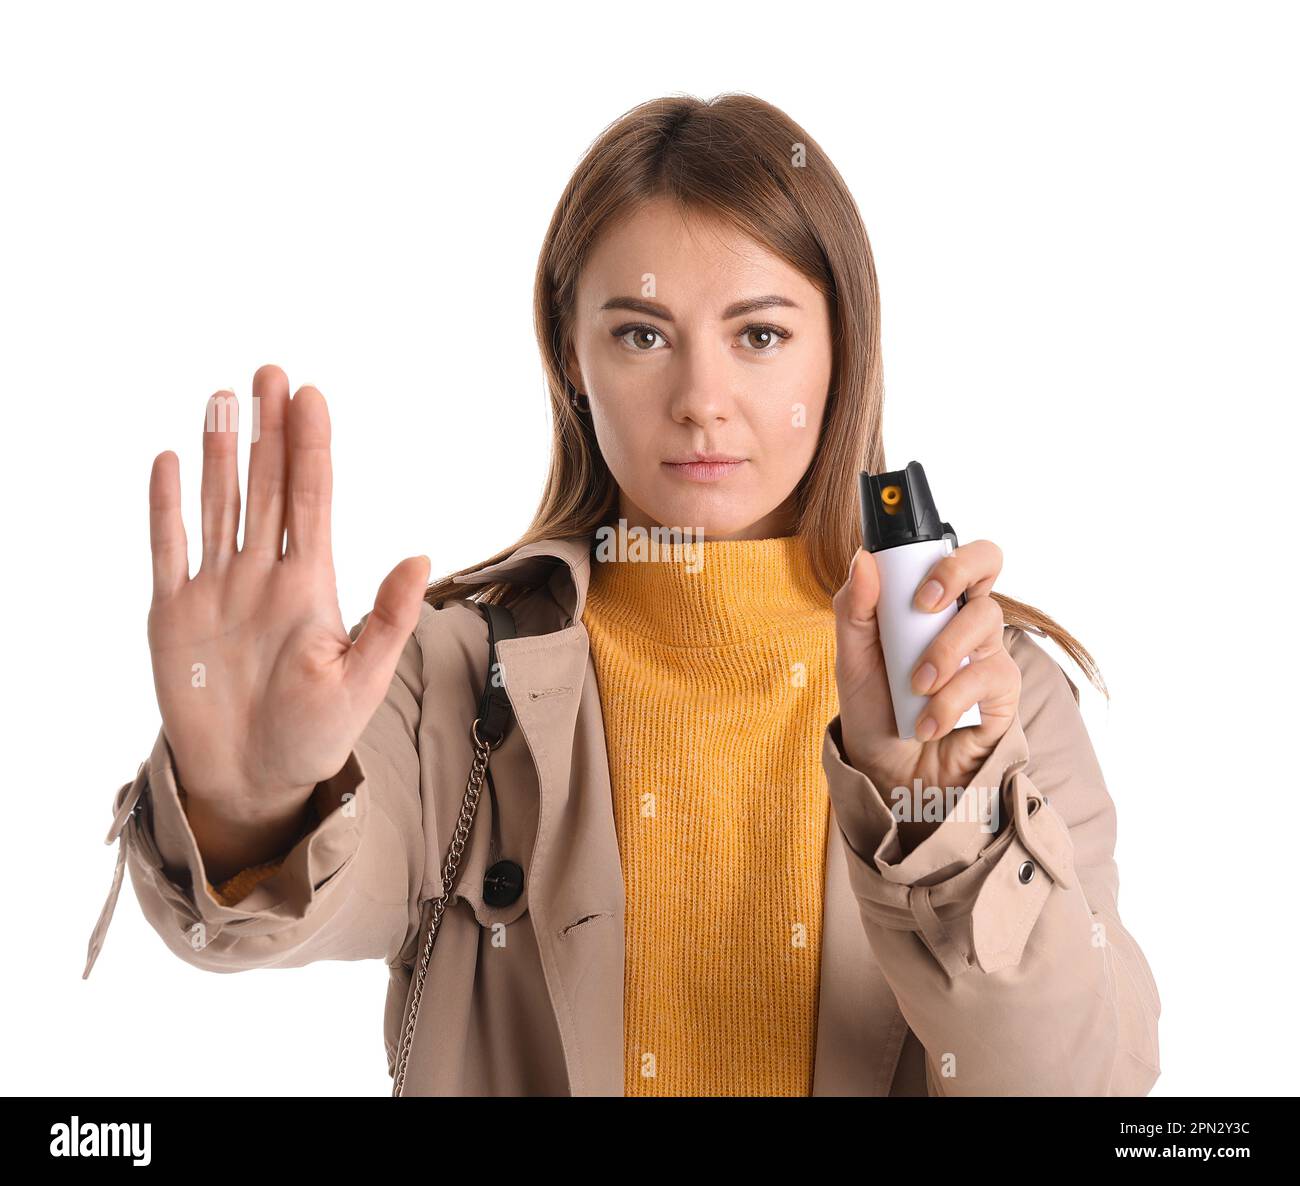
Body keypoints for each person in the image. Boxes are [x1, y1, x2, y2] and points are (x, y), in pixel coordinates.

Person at [84, 92, 1161, 1096]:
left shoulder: (994, 697)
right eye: (641, 334)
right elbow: (281, 916)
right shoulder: (457, 677)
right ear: (571, 358)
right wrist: (250, 806)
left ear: (843, 353)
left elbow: (1080, 1085)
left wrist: (945, 821)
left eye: (761, 334)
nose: (701, 400)